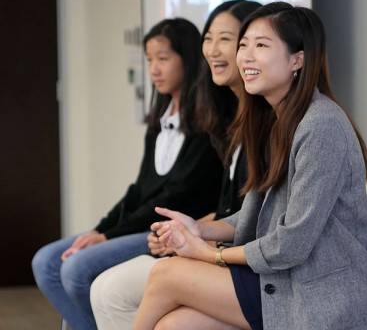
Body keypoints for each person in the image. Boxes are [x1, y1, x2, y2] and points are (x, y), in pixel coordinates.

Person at [131, 3, 367, 330]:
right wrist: (200, 230)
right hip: (286, 282)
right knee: (175, 325)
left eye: (261, 45)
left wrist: (210, 255)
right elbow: (257, 214)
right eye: (243, 44)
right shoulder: (276, 121)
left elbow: (290, 243)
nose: (246, 56)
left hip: (323, 298)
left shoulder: (321, 126)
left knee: (165, 274)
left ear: (297, 59)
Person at [31, 17, 226, 330]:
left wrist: (108, 236)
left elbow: (172, 197)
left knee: (75, 270)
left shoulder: (207, 126)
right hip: (140, 225)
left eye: (163, 59)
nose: (154, 69)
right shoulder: (160, 121)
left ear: (188, 60)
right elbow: (138, 191)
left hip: (166, 231)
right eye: (149, 60)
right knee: (45, 261)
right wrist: (98, 230)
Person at [90, 0, 262, 330]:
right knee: (104, 286)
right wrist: (187, 233)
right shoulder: (238, 121)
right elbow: (236, 211)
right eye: (208, 38)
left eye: (227, 39)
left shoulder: (277, 123)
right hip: (227, 254)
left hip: (248, 268)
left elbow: (264, 224)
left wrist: (203, 244)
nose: (213, 49)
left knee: (111, 290)